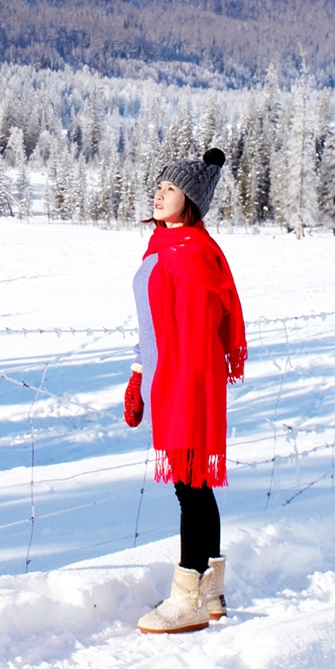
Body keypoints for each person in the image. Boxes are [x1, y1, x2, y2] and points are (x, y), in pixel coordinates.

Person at [125, 147, 247, 634]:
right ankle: (211, 591)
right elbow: (152, 326)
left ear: (191, 199)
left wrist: (173, 386)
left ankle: (187, 598)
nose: (159, 194)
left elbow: (195, 333)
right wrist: (139, 374)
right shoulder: (162, 247)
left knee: (190, 487)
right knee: (193, 487)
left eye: (170, 188)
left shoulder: (195, 254)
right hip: (166, 378)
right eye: (158, 186)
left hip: (187, 382)